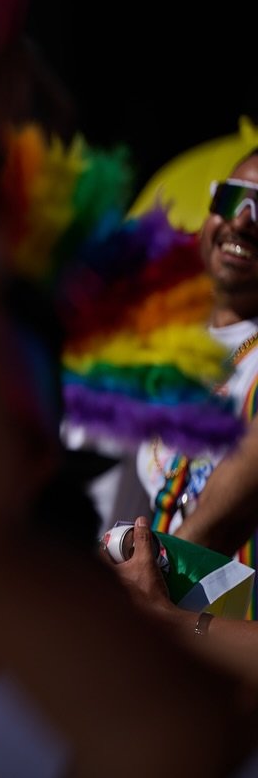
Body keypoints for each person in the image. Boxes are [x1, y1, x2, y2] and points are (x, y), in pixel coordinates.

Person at [136, 151, 258, 562]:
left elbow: (214, 530)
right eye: (229, 199)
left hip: (214, 614)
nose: (242, 221)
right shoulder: (167, 346)